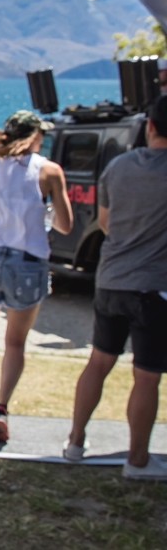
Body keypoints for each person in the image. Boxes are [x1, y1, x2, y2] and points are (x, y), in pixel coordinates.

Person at [64, 95, 167, 479]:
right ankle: (137, 460)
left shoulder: (118, 167)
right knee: (147, 375)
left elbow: (105, 222)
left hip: (110, 280)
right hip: (155, 287)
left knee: (99, 362)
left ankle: (75, 442)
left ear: (150, 126)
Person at [0, 111, 73, 443]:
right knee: (15, 341)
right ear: (35, 137)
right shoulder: (50, 170)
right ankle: (1, 408)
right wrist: (45, 211)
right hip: (26, 260)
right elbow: (66, 225)